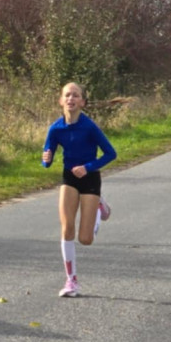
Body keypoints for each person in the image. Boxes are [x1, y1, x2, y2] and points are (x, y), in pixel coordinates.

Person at [42, 82, 117, 298]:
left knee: (85, 239)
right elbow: (47, 156)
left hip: (90, 177)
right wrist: (46, 160)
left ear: (82, 102)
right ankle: (71, 281)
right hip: (69, 178)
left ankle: (99, 205)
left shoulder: (89, 127)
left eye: (75, 95)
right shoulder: (56, 128)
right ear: (61, 100)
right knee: (67, 229)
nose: (71, 99)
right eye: (67, 95)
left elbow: (111, 154)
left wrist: (88, 167)